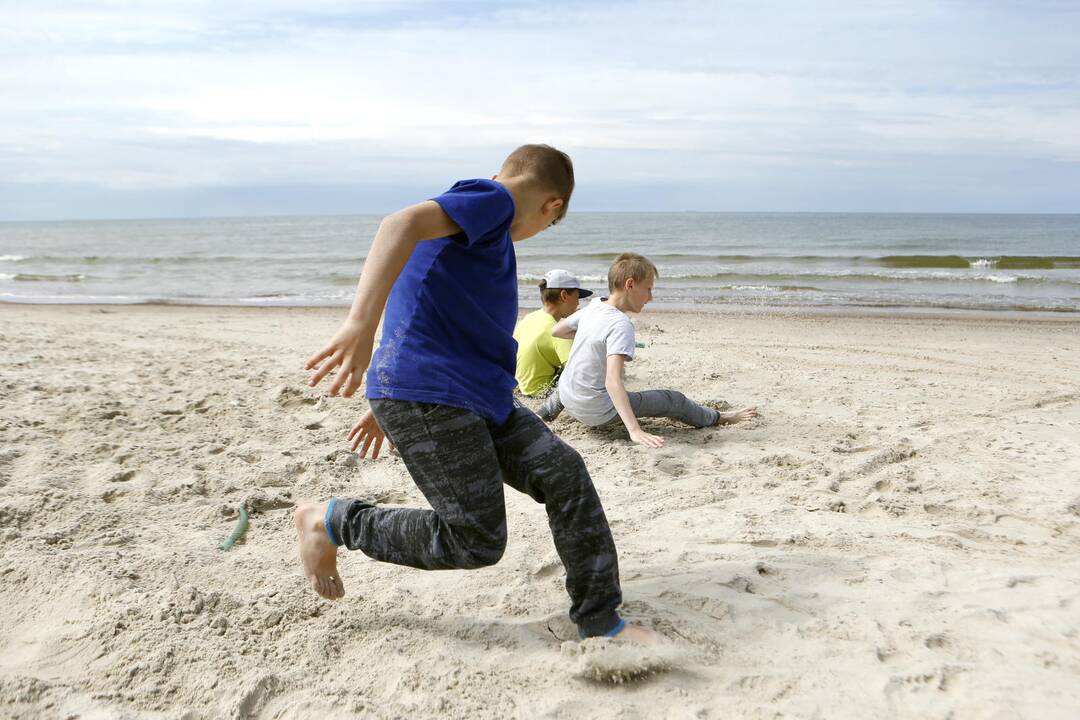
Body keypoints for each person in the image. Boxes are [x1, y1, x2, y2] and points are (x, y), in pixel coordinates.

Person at [294, 144, 659, 642]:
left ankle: (600, 620)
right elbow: (397, 225)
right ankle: (332, 522)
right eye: (548, 225)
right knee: (476, 540)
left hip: (476, 395)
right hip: (436, 394)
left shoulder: (474, 226)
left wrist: (386, 396)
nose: (535, 233)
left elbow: (422, 290)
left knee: (565, 474)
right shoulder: (494, 201)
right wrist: (361, 327)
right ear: (551, 205)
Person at [539, 252, 757, 448]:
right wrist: (634, 430)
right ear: (630, 285)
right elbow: (612, 381)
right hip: (596, 411)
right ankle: (720, 417)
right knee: (673, 400)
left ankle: (543, 415)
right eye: (649, 289)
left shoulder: (595, 306)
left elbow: (557, 330)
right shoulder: (620, 324)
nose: (650, 297)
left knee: (572, 374)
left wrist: (594, 337)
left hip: (568, 397)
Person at [513, 269, 592, 397]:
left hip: (522, 386)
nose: (578, 303)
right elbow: (579, 374)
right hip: (541, 392)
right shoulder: (557, 331)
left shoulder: (528, 318)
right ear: (564, 295)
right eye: (577, 297)